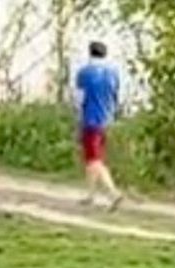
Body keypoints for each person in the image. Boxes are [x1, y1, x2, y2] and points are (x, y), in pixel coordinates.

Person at [73, 41, 123, 209]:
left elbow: (78, 99)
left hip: (90, 119)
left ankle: (113, 193)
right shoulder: (113, 73)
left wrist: (77, 118)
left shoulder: (84, 73)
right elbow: (116, 97)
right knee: (93, 158)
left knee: (94, 160)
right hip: (106, 120)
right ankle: (90, 195)